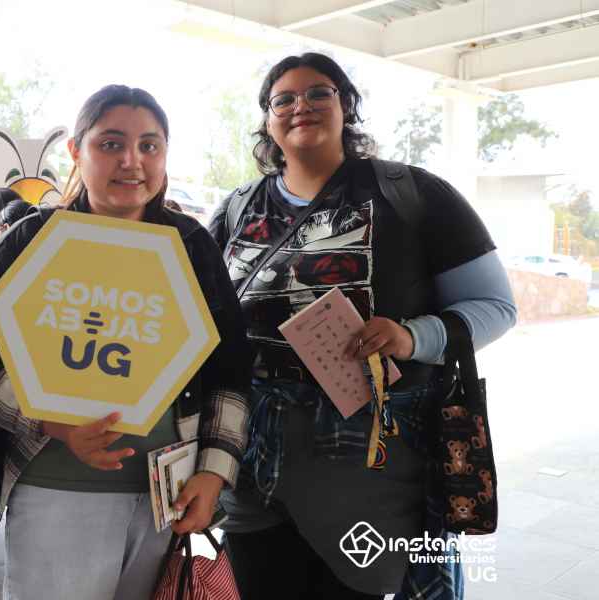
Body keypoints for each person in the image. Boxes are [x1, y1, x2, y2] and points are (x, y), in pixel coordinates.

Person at [206, 52, 517, 599]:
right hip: (253, 462)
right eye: (283, 99)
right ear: (268, 121)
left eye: (318, 93)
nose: (301, 106)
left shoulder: (414, 194)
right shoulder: (237, 209)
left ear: (346, 106)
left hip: (367, 465)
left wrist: (411, 337)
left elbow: (495, 305)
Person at [0, 84, 251, 600]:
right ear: (76, 150)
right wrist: (50, 421)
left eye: (149, 145)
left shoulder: (192, 246)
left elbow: (229, 367)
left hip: (164, 497)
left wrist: (215, 471)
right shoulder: (30, 241)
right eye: (111, 143)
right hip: (53, 490)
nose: (131, 161)